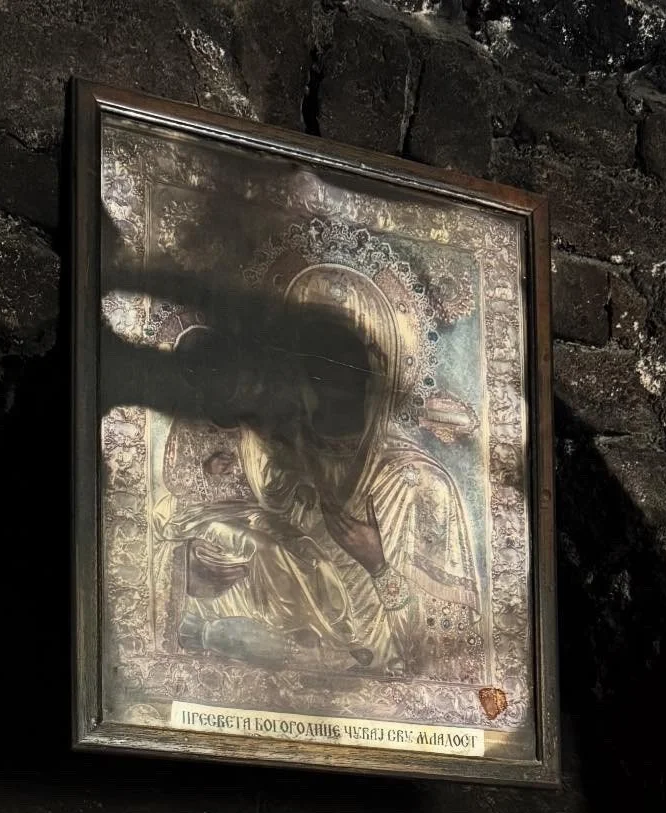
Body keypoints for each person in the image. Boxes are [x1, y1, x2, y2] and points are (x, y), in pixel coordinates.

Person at [161, 262, 481, 679]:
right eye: (313, 370)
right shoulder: (277, 464)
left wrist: (379, 566)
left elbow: (449, 657)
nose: (327, 388)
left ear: (375, 378)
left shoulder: (421, 486)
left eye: (343, 372)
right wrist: (198, 567)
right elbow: (189, 527)